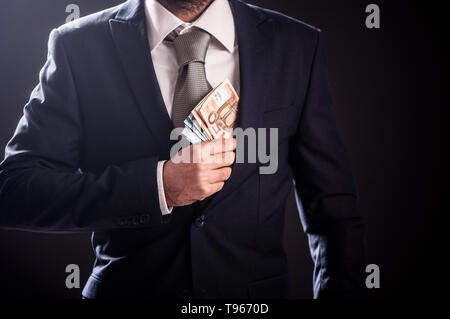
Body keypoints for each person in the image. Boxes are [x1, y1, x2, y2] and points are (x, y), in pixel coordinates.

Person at [0, 0, 366, 298]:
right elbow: (13, 191)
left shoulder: (296, 46)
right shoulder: (78, 46)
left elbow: (334, 213)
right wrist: (159, 186)